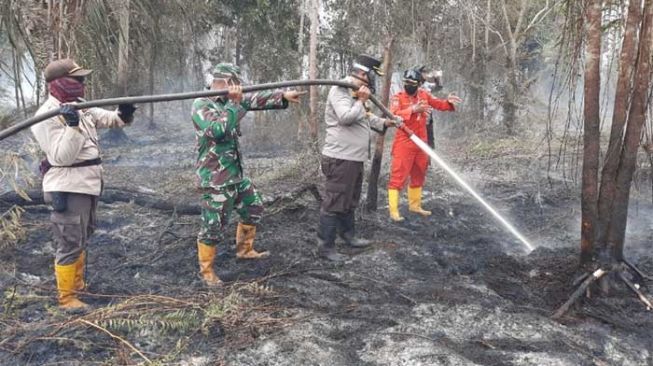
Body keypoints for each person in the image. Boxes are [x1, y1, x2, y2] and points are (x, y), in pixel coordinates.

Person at [30, 58, 136, 310]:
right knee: (69, 239)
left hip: (88, 183)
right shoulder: (47, 115)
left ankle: (76, 286)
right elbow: (61, 157)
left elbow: (110, 119)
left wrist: (125, 112)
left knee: (83, 234)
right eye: (77, 80)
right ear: (60, 83)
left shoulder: (80, 106)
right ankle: (66, 298)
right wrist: (72, 126)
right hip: (68, 186)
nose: (82, 84)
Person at [191, 63, 305, 286]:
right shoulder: (201, 104)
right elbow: (217, 130)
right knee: (212, 225)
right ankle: (206, 273)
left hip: (236, 175)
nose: (238, 87)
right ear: (223, 82)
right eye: (234, 82)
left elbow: (256, 99)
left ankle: (245, 250)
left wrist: (282, 96)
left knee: (254, 207)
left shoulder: (229, 101)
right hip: (215, 179)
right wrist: (234, 104)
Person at [319, 54, 398, 261]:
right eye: (372, 76)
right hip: (340, 157)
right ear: (364, 74)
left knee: (350, 199)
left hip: (354, 158)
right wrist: (362, 100)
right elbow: (346, 117)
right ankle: (325, 247)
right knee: (334, 200)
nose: (373, 81)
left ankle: (348, 236)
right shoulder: (340, 89)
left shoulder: (356, 93)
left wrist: (384, 123)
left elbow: (365, 117)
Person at [387, 66, 462, 222]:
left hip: (421, 143)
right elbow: (393, 115)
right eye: (406, 81)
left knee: (419, 174)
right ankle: (393, 211)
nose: (409, 84)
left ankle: (415, 206)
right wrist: (413, 109)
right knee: (398, 176)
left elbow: (440, 104)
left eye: (412, 82)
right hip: (404, 143)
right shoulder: (397, 97)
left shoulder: (424, 95)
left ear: (419, 84)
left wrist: (449, 102)